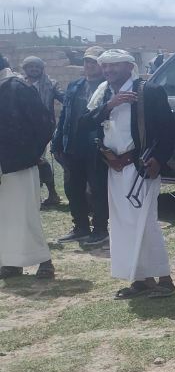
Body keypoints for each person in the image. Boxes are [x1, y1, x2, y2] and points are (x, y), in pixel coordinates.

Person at [86, 49, 175, 298]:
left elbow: (169, 131)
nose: (108, 70)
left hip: (141, 168)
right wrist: (111, 105)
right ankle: (140, 279)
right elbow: (86, 123)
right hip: (114, 167)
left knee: (145, 223)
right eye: (105, 66)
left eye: (114, 65)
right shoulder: (103, 93)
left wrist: (158, 159)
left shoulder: (149, 91)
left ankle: (165, 280)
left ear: (129, 67)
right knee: (122, 226)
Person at [0, 53, 57, 279]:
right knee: (5, 216)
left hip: (19, 165)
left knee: (25, 215)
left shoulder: (18, 88)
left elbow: (45, 125)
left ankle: (45, 262)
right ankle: (11, 263)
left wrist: (30, 155)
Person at [53, 47, 110, 247]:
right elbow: (65, 115)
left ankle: (100, 229)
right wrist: (57, 140)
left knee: (98, 190)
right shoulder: (75, 86)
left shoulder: (108, 87)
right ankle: (81, 227)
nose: (89, 65)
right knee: (73, 188)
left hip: (96, 147)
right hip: (73, 145)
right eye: (87, 61)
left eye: (94, 62)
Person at [22, 55, 64, 207]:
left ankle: (52, 193)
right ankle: (35, 194)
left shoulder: (51, 84)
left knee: (39, 159)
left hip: (43, 129)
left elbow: (65, 98)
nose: (34, 69)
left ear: (42, 69)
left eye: (37, 67)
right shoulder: (18, 83)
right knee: (28, 161)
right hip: (22, 129)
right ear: (25, 69)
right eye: (30, 66)